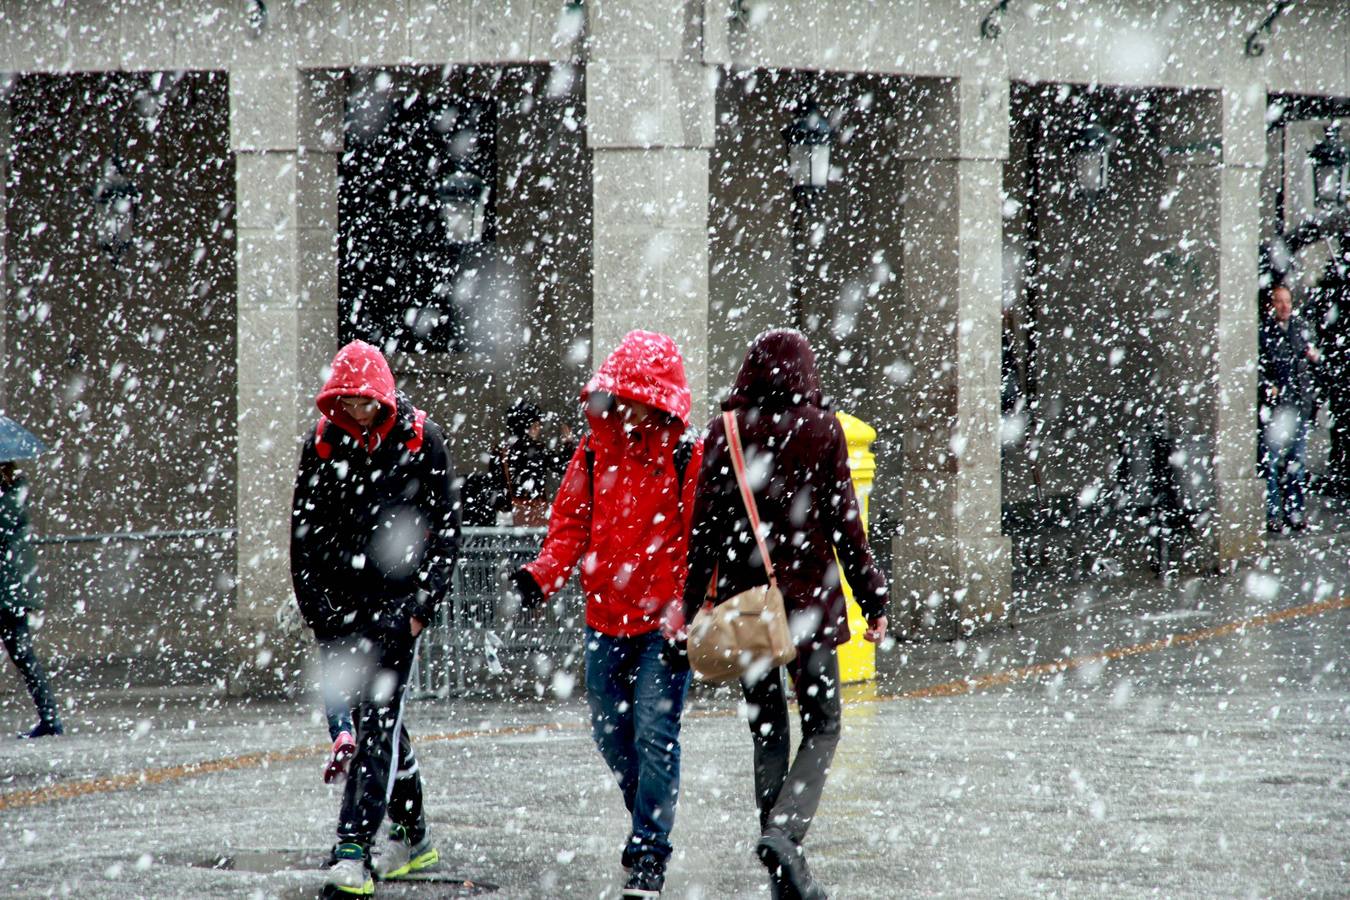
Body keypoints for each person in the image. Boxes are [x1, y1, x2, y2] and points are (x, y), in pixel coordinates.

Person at [681, 328, 889, 900]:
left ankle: (779, 864)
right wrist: (873, 599)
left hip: (749, 611)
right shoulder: (822, 430)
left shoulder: (723, 432)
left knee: (768, 730)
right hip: (810, 609)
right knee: (823, 725)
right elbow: (848, 526)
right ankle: (785, 833)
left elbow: (703, 531)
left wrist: (690, 601)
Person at [512, 330, 703, 899]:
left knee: (654, 734)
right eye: (620, 395)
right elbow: (570, 523)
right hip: (605, 617)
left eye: (636, 395)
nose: (627, 406)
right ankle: (647, 815)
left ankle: (649, 849)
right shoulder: (595, 449)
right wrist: (541, 575)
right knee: (609, 733)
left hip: (663, 626)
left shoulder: (686, 454)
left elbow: (700, 543)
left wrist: (686, 613)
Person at [290, 339, 461, 897]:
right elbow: (304, 535)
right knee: (379, 723)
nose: (357, 413)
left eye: (366, 403)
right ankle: (413, 831)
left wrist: (420, 608)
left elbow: (445, 531)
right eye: (347, 403)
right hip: (341, 608)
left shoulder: (421, 440)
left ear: (385, 400)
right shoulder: (320, 446)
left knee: (377, 722)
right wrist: (318, 611)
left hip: (395, 608)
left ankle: (353, 846)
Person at [1, 462, 62, 739]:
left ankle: (50, 718)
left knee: (23, 655)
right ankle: (49, 718)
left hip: (8, 590)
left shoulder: (11, 493)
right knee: (23, 656)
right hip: (8, 589)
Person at [1259, 285, 1321, 532]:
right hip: (1277, 410)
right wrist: (1268, 386)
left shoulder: (1300, 328)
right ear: (1271, 304)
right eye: (1279, 301)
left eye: (1288, 301)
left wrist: (1314, 358)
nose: (1285, 306)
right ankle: (1273, 512)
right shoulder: (1265, 332)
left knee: (1296, 463)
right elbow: (1260, 367)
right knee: (1271, 464)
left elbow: (1311, 361)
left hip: (1299, 407)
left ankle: (1294, 511)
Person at [496, 400, 553, 526]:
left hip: (506, 519)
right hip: (533, 516)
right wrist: (568, 445)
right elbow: (562, 466)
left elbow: (497, 486)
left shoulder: (502, 452)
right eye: (535, 425)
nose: (538, 429)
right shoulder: (537, 451)